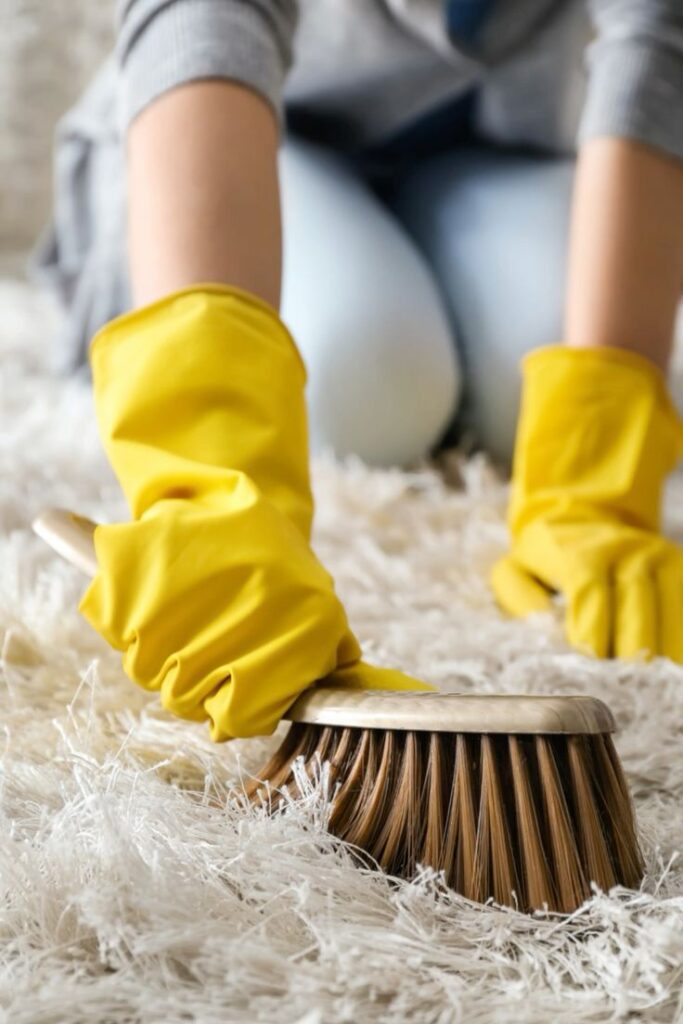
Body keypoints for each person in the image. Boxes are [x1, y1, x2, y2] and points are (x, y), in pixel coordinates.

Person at [34, 1, 683, 741]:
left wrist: (598, 473)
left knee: (525, 396)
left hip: (495, 143)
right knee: (367, 385)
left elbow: (657, 41)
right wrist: (208, 470)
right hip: (257, 119)